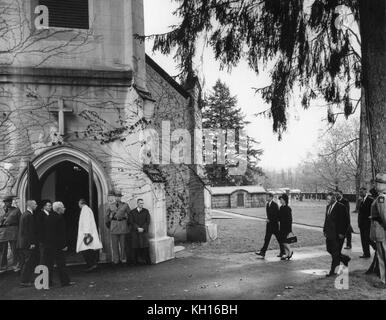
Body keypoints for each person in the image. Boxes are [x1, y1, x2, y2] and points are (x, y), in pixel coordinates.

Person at [42, 202, 73, 288]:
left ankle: (47, 283)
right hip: (57, 246)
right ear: (59, 209)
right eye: (63, 207)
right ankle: (65, 282)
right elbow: (61, 234)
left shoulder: (48, 217)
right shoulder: (60, 218)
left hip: (48, 245)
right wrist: (64, 245)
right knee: (61, 264)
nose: (64, 208)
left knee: (48, 264)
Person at [323, 192, 351, 277]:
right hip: (329, 233)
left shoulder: (341, 207)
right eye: (326, 199)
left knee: (335, 254)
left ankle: (333, 272)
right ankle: (344, 258)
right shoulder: (328, 207)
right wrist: (324, 229)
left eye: (328, 199)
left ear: (334, 198)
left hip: (338, 234)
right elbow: (326, 219)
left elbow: (346, 221)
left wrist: (342, 233)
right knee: (329, 249)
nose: (327, 200)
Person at [369, 174, 386, 289]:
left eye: (378, 183)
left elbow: (384, 216)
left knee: (383, 257)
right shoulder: (382, 197)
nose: (376, 185)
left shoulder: (381, 198)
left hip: (381, 231)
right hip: (381, 230)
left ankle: (384, 281)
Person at [76, 199, 103, 272]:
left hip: (87, 233)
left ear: (81, 203)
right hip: (87, 232)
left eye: (79, 203)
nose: (78, 205)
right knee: (88, 249)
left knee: (86, 249)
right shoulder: (86, 209)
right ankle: (92, 264)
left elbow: (87, 221)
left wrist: (86, 232)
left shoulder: (85, 210)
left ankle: (92, 265)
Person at [105, 191, 130, 265]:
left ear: (121, 197)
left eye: (119, 196)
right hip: (114, 226)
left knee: (123, 244)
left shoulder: (125, 205)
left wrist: (127, 224)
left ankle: (123, 258)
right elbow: (106, 216)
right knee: (114, 245)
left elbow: (130, 214)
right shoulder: (110, 205)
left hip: (123, 225)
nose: (118, 198)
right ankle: (116, 259)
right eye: (116, 196)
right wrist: (108, 225)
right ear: (114, 197)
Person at [255, 193, 284, 258]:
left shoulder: (275, 205)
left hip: (275, 226)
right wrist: (268, 220)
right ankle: (263, 252)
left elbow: (277, 217)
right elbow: (269, 215)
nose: (266, 198)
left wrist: (270, 220)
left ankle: (283, 251)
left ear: (271, 197)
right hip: (269, 226)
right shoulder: (268, 204)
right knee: (267, 239)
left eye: (267, 197)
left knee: (279, 239)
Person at [17, 200, 39, 287]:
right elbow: (28, 231)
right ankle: (24, 281)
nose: (36, 205)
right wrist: (31, 243)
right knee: (27, 262)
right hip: (26, 243)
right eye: (35, 204)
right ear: (31, 205)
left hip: (22, 243)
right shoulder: (28, 215)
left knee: (26, 262)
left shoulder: (25, 214)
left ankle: (26, 280)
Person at [0, 196, 22, 274]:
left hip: (13, 231)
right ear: (4, 202)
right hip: (2, 232)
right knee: (2, 251)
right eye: (7, 202)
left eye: (10, 202)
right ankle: (3, 267)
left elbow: (20, 222)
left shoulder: (16, 210)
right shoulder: (1, 210)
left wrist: (20, 233)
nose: (9, 203)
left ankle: (16, 266)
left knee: (15, 250)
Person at [129, 199, 151, 265]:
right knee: (135, 246)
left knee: (145, 246)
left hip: (144, 232)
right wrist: (137, 228)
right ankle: (136, 262)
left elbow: (148, 221)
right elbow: (131, 221)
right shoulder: (132, 212)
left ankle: (146, 261)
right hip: (135, 232)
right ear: (137, 203)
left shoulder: (146, 211)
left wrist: (143, 228)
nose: (142, 205)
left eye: (142, 203)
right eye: (140, 203)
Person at [358, 187, 376, 258]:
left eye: (361, 192)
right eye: (360, 192)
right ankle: (366, 253)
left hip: (368, 223)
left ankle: (376, 248)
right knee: (363, 239)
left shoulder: (370, 200)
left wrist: (372, 216)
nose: (360, 193)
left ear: (366, 192)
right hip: (361, 224)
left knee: (368, 238)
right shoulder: (360, 200)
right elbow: (360, 212)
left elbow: (374, 210)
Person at [35, 200, 53, 264]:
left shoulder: (50, 214)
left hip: (49, 240)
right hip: (43, 240)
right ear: (44, 206)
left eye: (51, 205)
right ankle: (41, 272)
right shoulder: (40, 215)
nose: (51, 207)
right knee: (43, 256)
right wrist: (42, 240)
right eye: (49, 206)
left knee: (48, 257)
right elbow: (40, 228)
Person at [278, 194, 293, 261]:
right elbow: (279, 217)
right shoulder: (281, 208)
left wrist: (290, 229)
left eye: (281, 199)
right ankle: (287, 254)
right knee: (282, 241)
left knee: (284, 241)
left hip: (286, 228)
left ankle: (290, 251)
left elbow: (290, 220)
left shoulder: (288, 209)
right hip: (282, 227)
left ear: (284, 200)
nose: (280, 201)